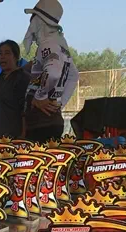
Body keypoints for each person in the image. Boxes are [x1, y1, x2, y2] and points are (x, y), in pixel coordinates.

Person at [22, 0, 79, 143]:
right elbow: (73, 75)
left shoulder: (47, 45)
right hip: (51, 121)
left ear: (39, 21)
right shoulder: (60, 45)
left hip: (40, 123)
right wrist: (59, 103)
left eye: (33, 17)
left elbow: (53, 72)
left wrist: (40, 97)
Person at [0, 40, 30, 138]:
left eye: (7, 53)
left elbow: (25, 110)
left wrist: (23, 135)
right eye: (0, 54)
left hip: (13, 136)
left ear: (16, 57)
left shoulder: (22, 78)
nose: (2, 57)